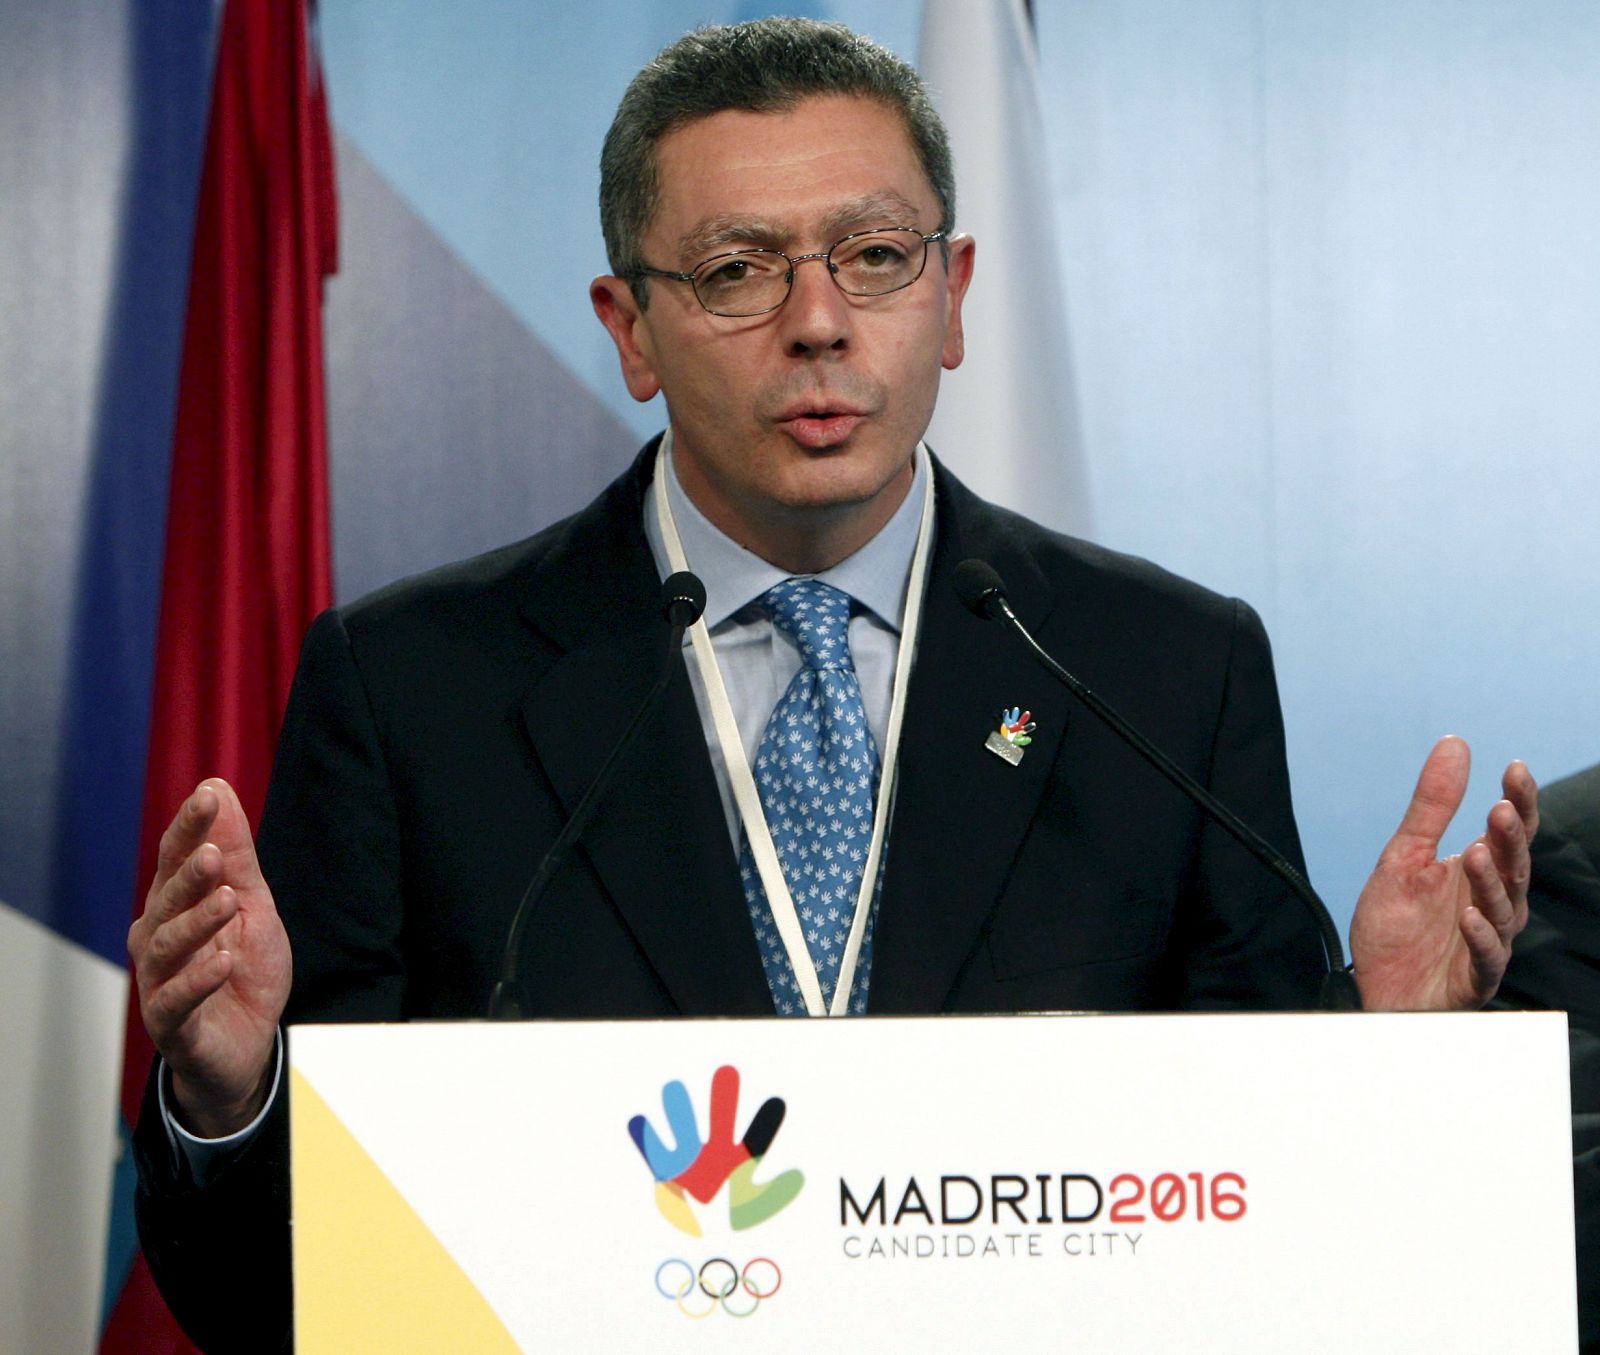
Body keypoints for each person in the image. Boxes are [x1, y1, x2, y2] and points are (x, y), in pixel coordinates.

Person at [128, 19, 1539, 1353]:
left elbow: (1271, 1226)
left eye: (873, 256)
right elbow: (280, 1300)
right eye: (739, 269)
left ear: (954, 295)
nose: (819, 322)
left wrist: (1395, 1065)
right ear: (629, 329)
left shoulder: (1162, 671)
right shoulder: (414, 691)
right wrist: (232, 1096)